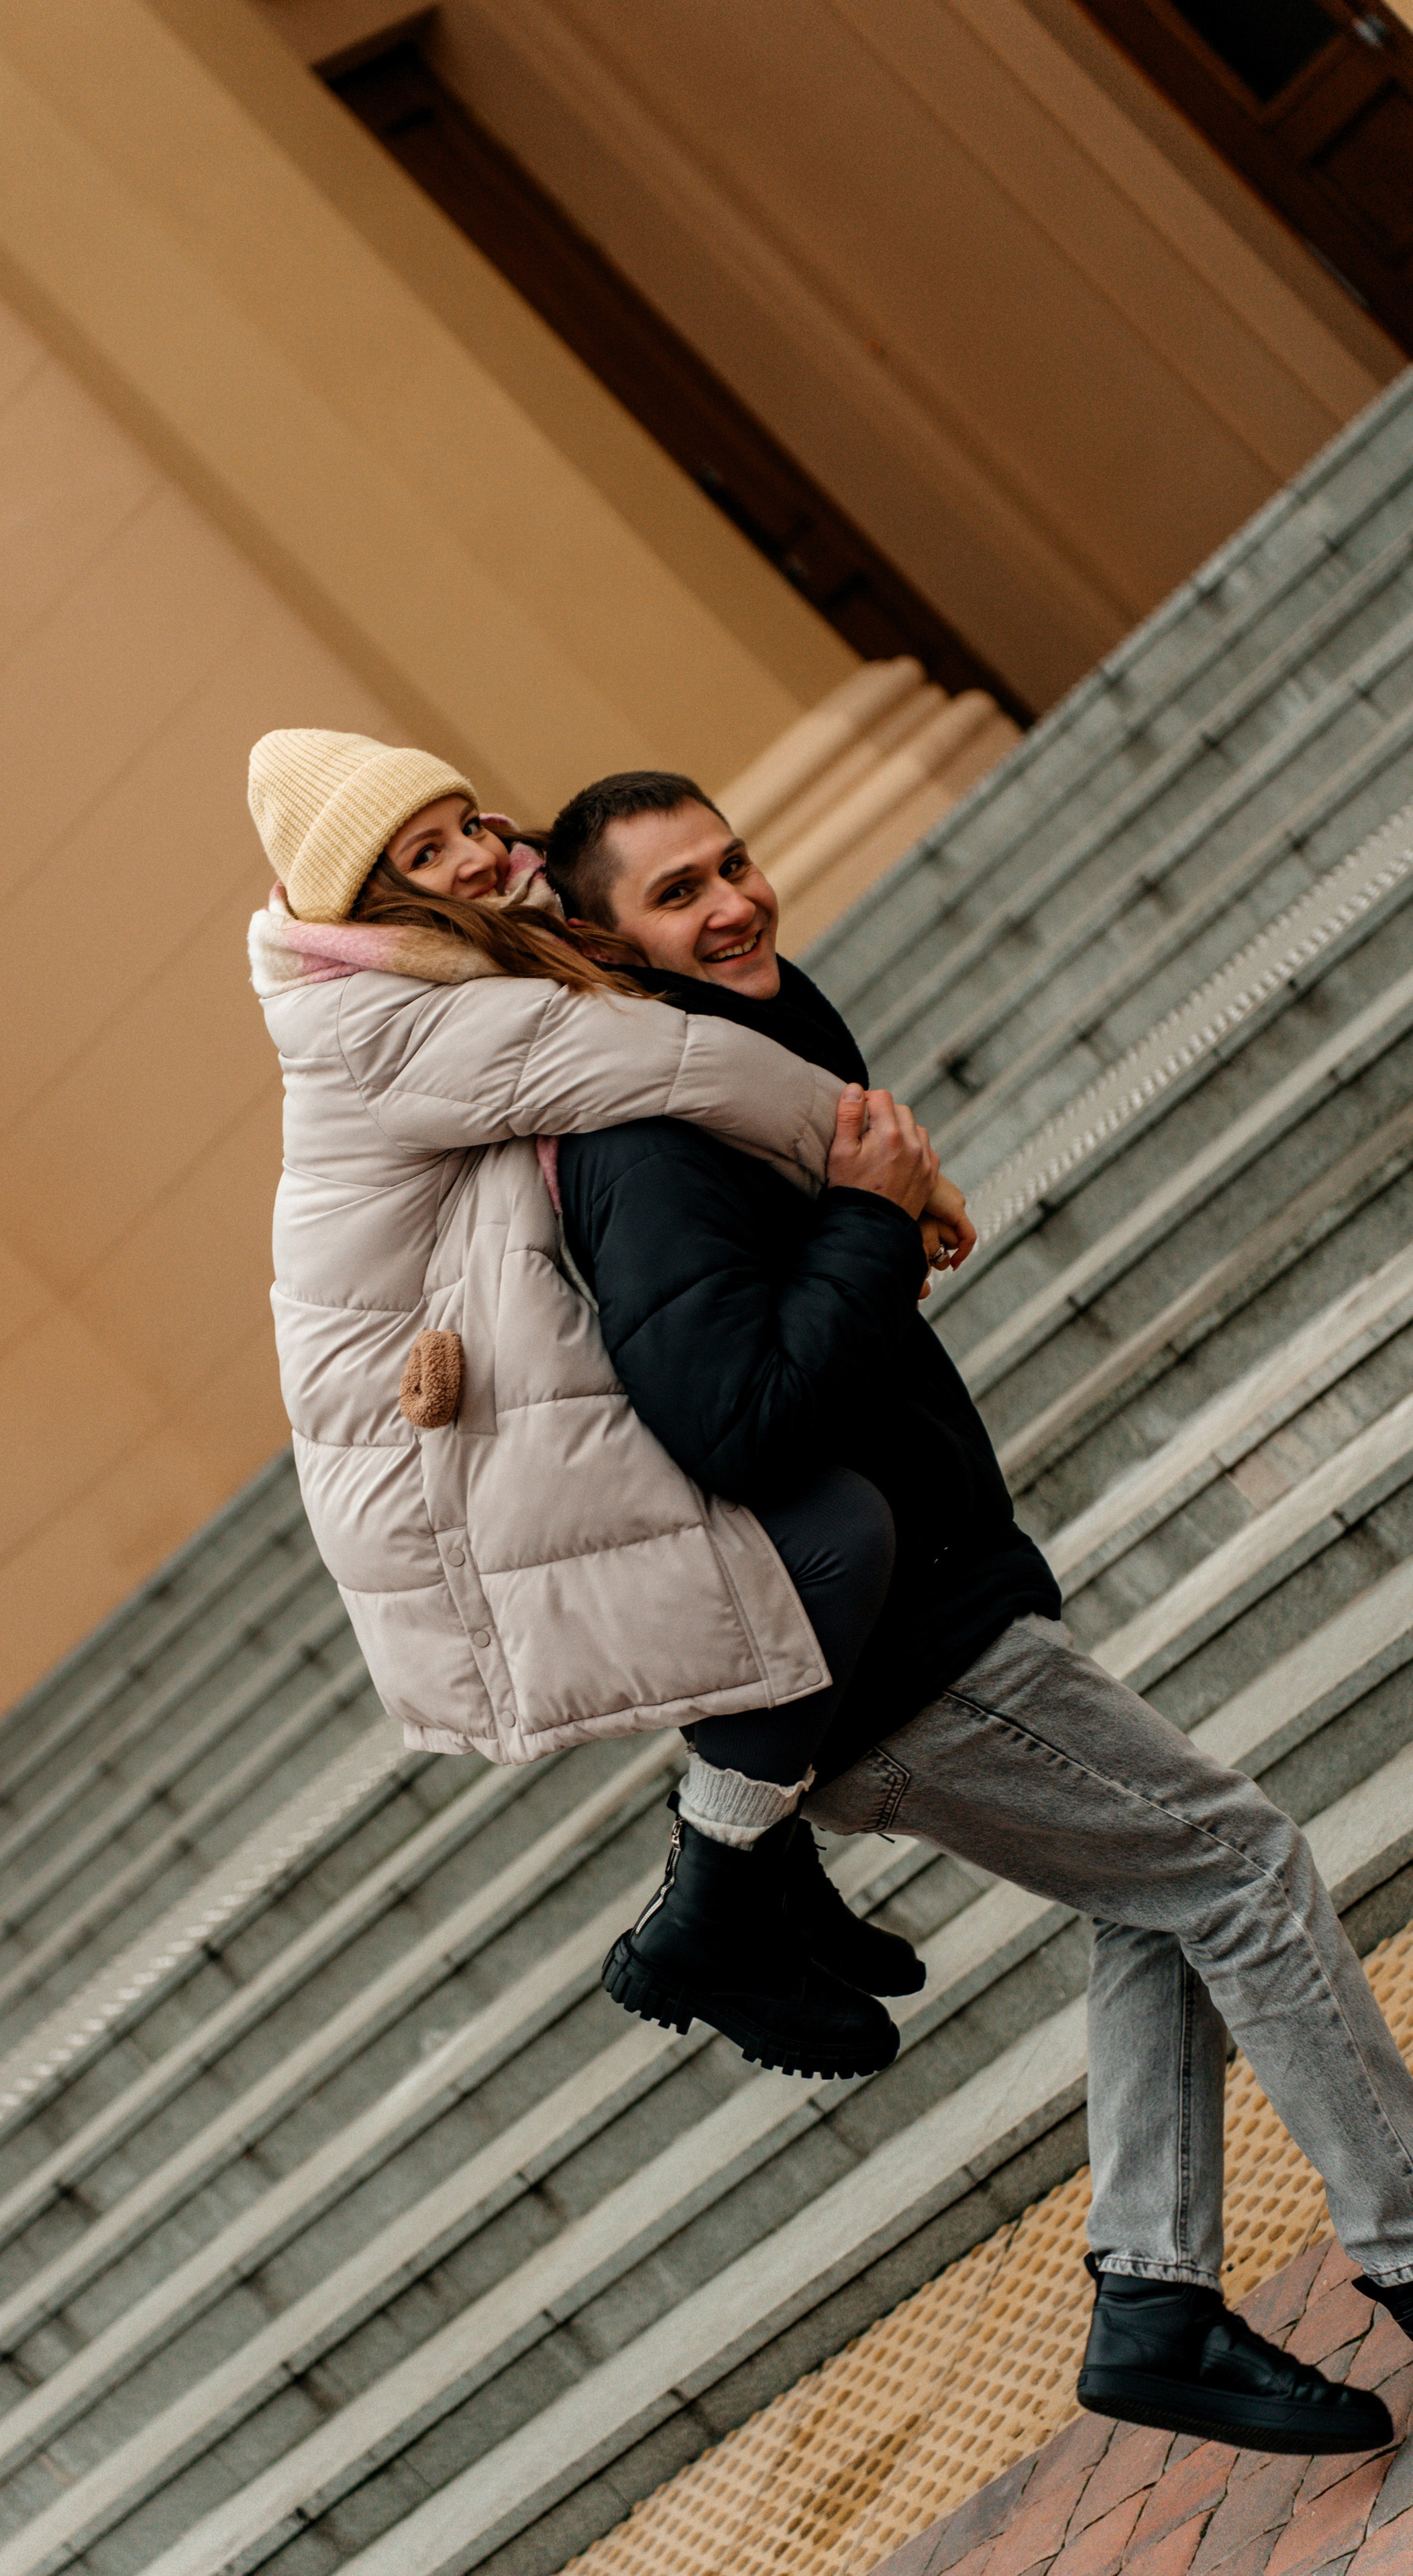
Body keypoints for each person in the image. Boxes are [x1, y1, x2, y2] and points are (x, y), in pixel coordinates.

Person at [544, 767, 1413, 2459]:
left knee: (1159, 1896)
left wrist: (863, 1202)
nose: (731, 903)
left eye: (732, 863)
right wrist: (869, 1220)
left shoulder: (740, 1051)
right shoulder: (640, 1147)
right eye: (673, 894)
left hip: (932, 1617)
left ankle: (1153, 2295)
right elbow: (732, 1419)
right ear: (595, 940)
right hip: (896, 1659)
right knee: (1235, 1866)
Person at [246, 727, 963, 2094]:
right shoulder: (394, 1012)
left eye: (466, 822)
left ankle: (758, 1878)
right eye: (424, 852)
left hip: (475, 1376)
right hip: (431, 1436)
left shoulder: (438, 963)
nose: (474, 855)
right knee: (826, 1540)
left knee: (793, 1541)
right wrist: (898, 1175)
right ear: (367, 901)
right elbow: (680, 1065)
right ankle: (708, 1910)